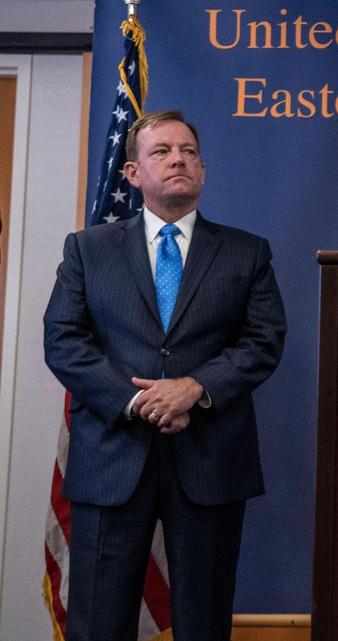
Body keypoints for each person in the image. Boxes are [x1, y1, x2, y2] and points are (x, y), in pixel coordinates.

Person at [43, 110, 286, 641]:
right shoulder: (87, 249)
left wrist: (195, 389)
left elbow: (264, 341)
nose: (178, 159)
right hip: (112, 460)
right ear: (131, 173)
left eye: (189, 151)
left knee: (203, 623)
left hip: (210, 461)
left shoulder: (247, 252)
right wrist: (136, 403)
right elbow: (63, 340)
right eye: (161, 152)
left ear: (202, 169)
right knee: (98, 623)